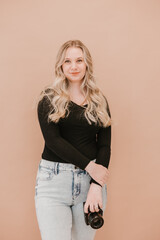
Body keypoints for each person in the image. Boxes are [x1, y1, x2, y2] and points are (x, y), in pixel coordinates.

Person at [34, 39, 112, 240]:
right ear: (60, 65)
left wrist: (96, 185)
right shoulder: (48, 98)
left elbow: (104, 146)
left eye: (79, 60)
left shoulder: (99, 100)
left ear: (87, 64)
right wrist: (90, 167)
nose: (74, 66)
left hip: (90, 185)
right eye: (67, 61)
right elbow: (53, 141)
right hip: (53, 183)